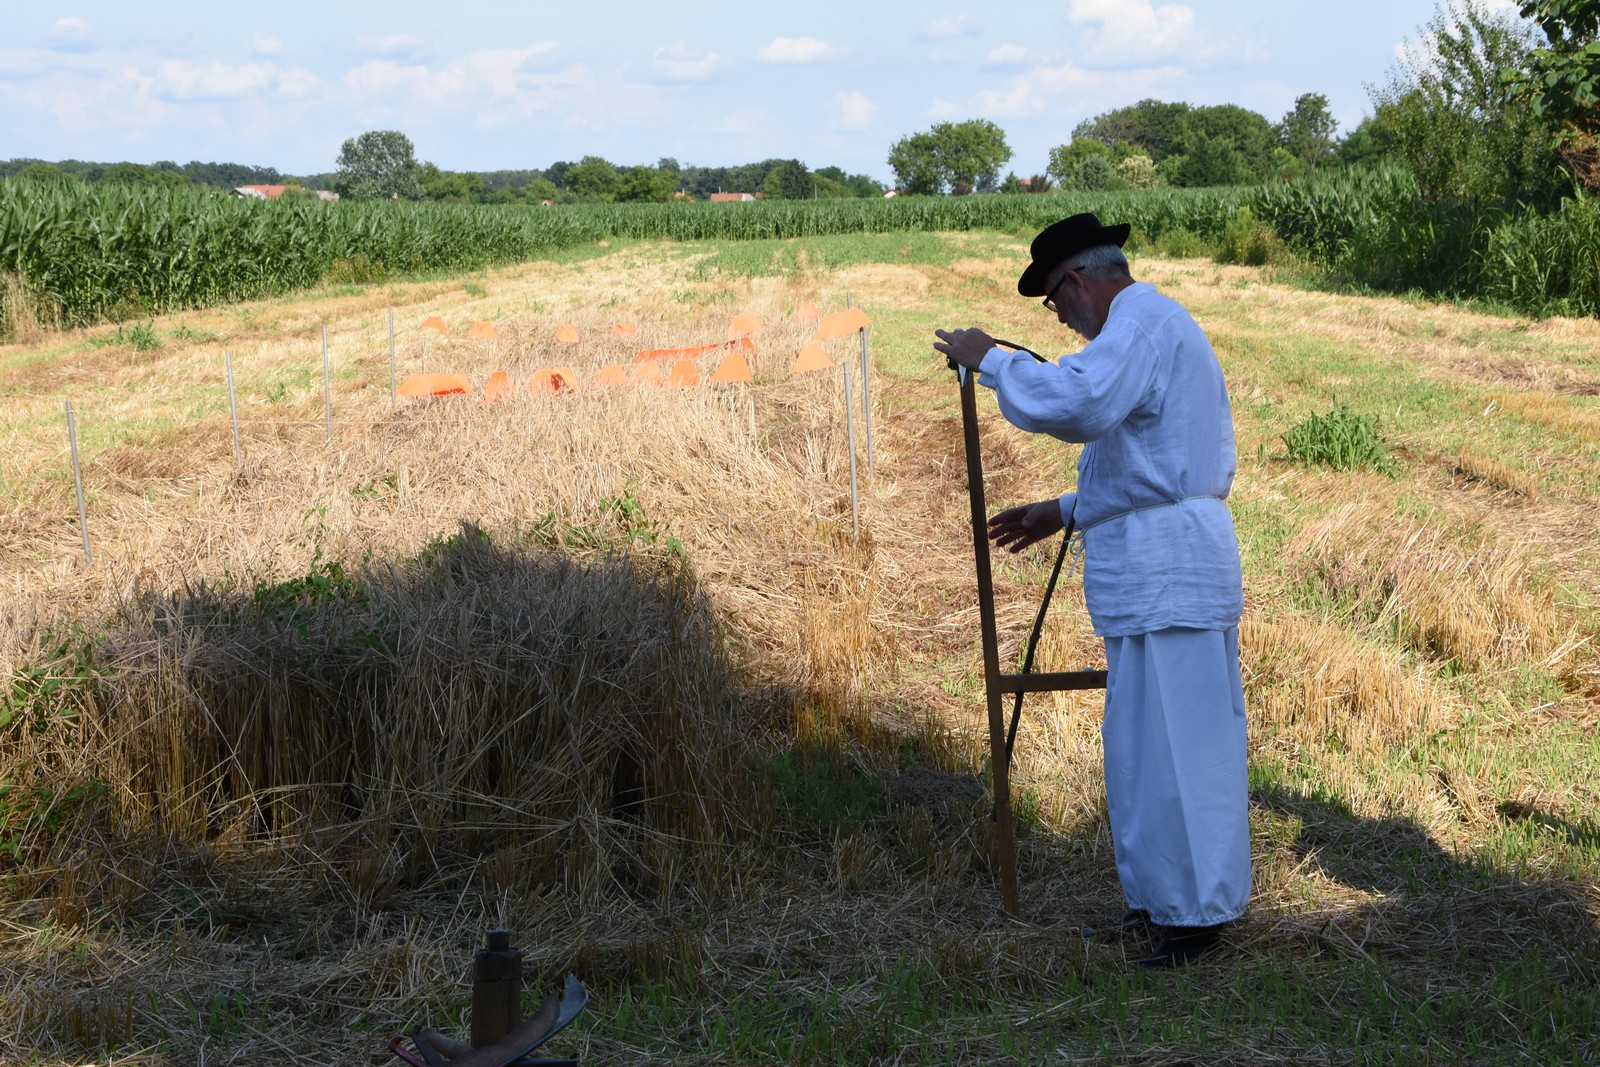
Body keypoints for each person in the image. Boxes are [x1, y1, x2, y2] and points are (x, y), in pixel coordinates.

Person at [932, 213, 1249, 969]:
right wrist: (1066, 509)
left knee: (1182, 749)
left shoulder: (1138, 327)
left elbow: (1080, 404)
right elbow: (1149, 458)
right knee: (1143, 751)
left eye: (1054, 302)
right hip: (1156, 570)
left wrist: (992, 362)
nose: (1060, 320)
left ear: (1077, 282)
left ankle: (1196, 918)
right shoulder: (1146, 327)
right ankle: (1161, 905)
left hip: (1171, 571)